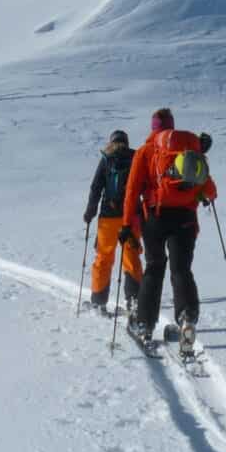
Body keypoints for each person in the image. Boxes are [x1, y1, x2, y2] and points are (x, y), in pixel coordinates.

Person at [120, 109, 216, 352]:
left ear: (153, 128)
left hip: (155, 216)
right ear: (172, 127)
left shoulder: (146, 151)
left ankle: (144, 324)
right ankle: (187, 319)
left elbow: (132, 190)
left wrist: (125, 224)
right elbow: (210, 190)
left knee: (154, 267)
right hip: (185, 219)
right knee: (181, 269)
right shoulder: (189, 151)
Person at [83, 130, 143, 316]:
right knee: (131, 258)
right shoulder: (135, 158)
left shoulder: (107, 158)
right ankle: (133, 301)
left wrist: (90, 212)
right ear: (126, 142)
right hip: (130, 217)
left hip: (108, 218)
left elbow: (96, 187)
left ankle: (99, 301)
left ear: (112, 141)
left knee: (103, 258)